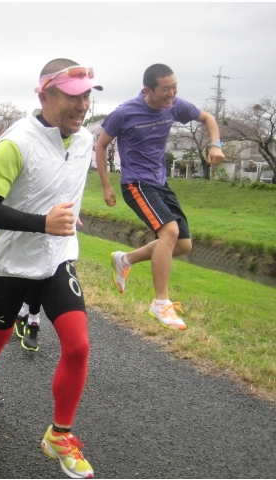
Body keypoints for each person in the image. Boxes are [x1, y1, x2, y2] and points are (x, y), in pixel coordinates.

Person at [0, 58, 101, 479]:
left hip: (57, 258)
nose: (83, 107)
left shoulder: (83, 141)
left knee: (78, 346)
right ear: (45, 96)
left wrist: (68, 216)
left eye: (88, 97)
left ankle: (59, 435)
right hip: (12, 264)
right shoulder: (16, 142)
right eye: (73, 97)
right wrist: (41, 222)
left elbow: (62, 188)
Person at [95, 64, 225, 331]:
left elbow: (208, 118)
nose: (171, 93)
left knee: (183, 244)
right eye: (165, 89)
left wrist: (216, 143)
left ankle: (125, 259)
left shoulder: (175, 106)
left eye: (174, 86)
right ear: (148, 90)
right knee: (169, 232)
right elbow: (101, 144)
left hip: (159, 183)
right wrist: (106, 185)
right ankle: (161, 303)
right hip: (135, 182)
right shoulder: (125, 112)